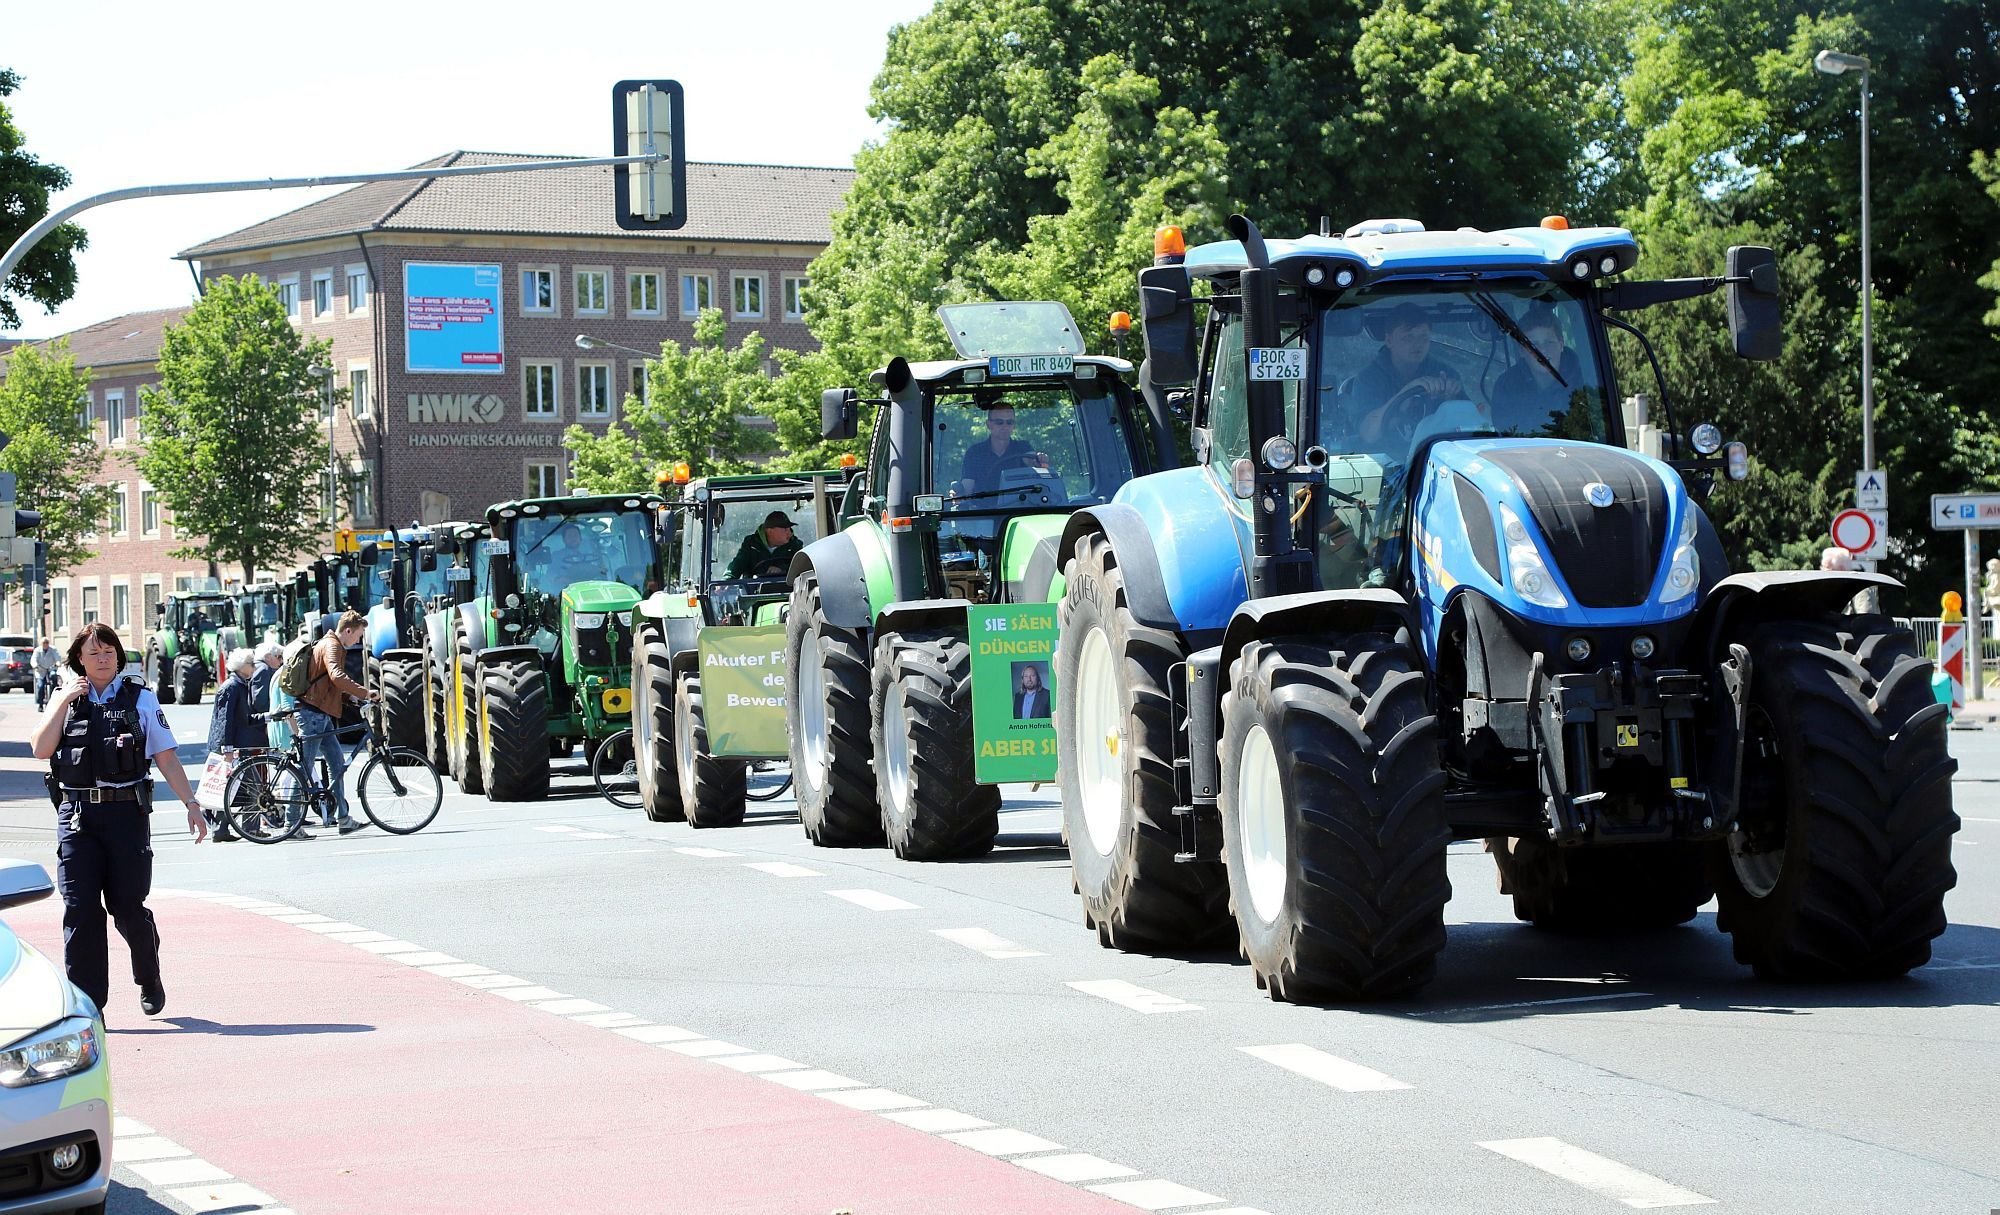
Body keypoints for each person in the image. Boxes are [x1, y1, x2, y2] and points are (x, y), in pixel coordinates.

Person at [29, 622, 208, 1017]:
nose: (102, 659)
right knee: (79, 909)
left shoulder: (140, 699)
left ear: (118, 655)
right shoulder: (66, 699)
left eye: (109, 651)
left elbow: (166, 758)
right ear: (79, 659)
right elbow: (41, 749)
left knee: (127, 907)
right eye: (93, 653)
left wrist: (191, 804)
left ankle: (149, 975)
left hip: (126, 813)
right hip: (76, 815)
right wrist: (61, 701)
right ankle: (88, 1006)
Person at [297, 610, 379, 834]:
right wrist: (364, 693)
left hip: (321, 714)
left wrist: (349, 697)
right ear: (349, 631)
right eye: (359, 636)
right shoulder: (332, 645)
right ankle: (291, 823)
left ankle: (343, 818)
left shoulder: (333, 644)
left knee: (337, 765)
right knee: (304, 768)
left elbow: (328, 682)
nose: (359, 641)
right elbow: (336, 676)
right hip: (312, 714)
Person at [1344, 303, 1462, 448]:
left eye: (1423, 338)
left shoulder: (1445, 374)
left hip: (1440, 457)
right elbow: (1368, 434)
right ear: (1389, 340)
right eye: (1408, 338)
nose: (1417, 344)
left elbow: (1472, 427)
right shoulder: (1368, 379)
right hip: (1385, 461)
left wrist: (1452, 402)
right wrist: (1406, 392)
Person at [1489, 304, 1586, 435]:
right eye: (1533, 345)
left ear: (1561, 344)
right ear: (1521, 351)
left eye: (1549, 342)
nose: (1542, 351)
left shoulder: (1585, 381)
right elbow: (1507, 435)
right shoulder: (1506, 386)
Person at [957, 406, 1042, 496]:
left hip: (1019, 507)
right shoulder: (974, 452)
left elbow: (1031, 460)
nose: (1005, 427)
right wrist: (959, 495)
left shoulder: (1023, 447)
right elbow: (967, 486)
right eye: (999, 422)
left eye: (1009, 422)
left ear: (1014, 425)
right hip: (982, 509)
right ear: (988, 425)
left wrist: (1039, 459)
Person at [727, 511, 804, 579]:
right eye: (785, 529)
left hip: (788, 592)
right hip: (753, 593)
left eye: (790, 529)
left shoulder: (795, 546)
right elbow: (737, 565)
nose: (790, 533)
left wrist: (782, 570)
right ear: (770, 531)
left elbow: (802, 568)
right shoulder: (751, 544)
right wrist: (727, 580)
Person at [33, 636, 60, 710]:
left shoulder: (53, 649)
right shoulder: (37, 650)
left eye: (47, 643)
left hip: (51, 668)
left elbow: (57, 657)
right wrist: (35, 665)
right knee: (41, 686)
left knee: (53, 676)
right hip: (41, 670)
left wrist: (58, 663)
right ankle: (40, 704)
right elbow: (34, 659)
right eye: (44, 643)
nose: (45, 644)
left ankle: (53, 692)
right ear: (41, 644)